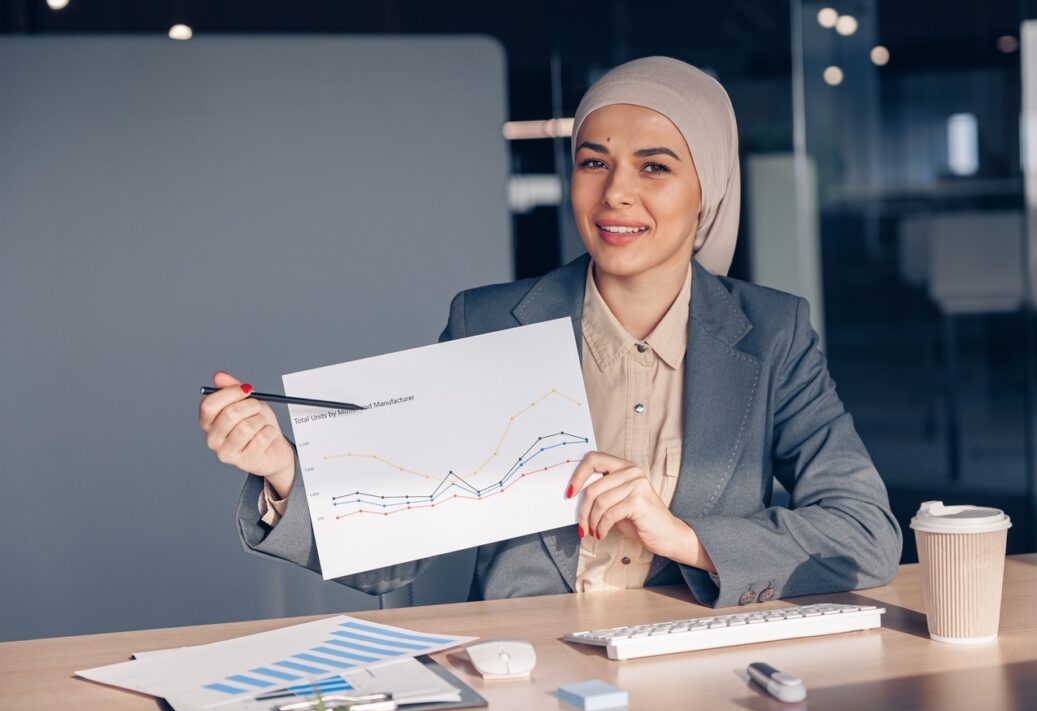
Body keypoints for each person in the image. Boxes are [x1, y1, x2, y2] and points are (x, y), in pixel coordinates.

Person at [198, 56, 901, 609]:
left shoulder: (774, 333)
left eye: (654, 166)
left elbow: (865, 533)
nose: (615, 192)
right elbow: (391, 558)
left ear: (707, 192)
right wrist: (284, 471)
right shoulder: (486, 324)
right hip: (525, 668)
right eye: (594, 161)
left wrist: (686, 538)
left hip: (693, 665)